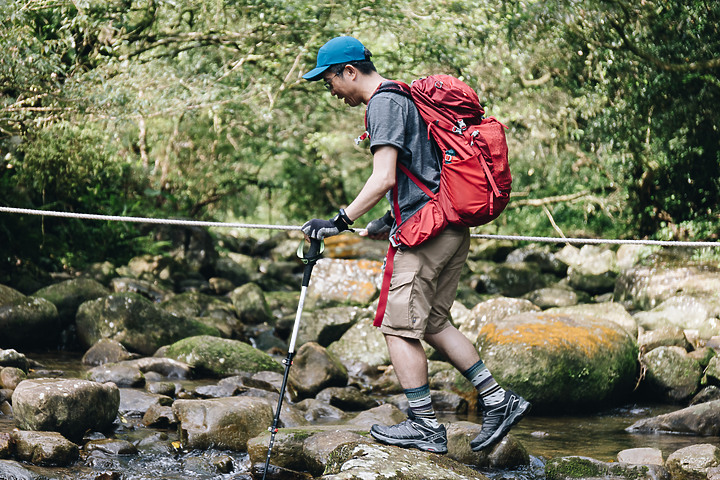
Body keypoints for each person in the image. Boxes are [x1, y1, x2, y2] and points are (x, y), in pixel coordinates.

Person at [300, 36, 530, 454]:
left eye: (329, 80)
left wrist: (340, 221)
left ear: (349, 71)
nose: (330, 90)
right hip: (450, 226)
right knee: (435, 323)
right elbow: (423, 171)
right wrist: (388, 219)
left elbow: (385, 175)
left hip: (427, 233)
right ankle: (499, 400)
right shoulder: (407, 96)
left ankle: (425, 425)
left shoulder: (384, 103)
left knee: (397, 328)